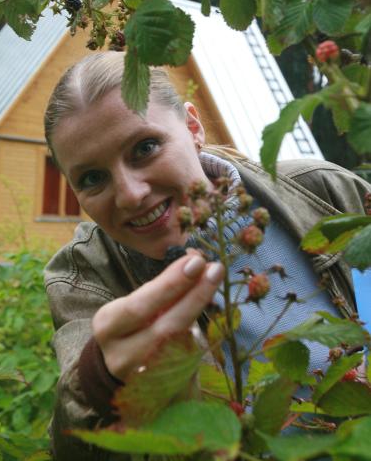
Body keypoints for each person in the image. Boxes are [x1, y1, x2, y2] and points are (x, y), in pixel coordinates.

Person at [43, 51, 370, 460]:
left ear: (193, 128)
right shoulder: (85, 275)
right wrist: (99, 380)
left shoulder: (325, 192)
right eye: (92, 178)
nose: (130, 193)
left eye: (145, 148)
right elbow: (74, 449)